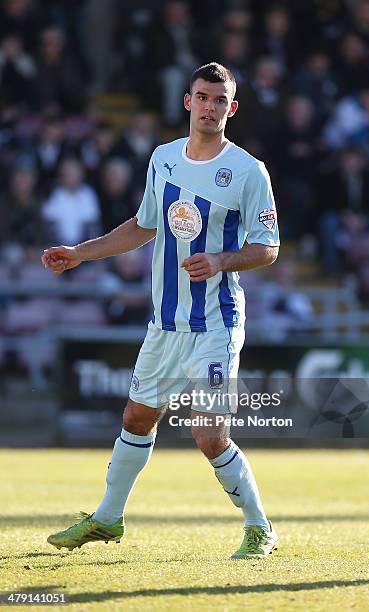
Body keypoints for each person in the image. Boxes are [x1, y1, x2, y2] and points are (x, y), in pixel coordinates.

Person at [41, 62, 280, 560]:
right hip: (164, 324)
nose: (211, 107)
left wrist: (219, 260)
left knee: (209, 434)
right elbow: (142, 225)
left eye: (221, 101)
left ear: (231, 109)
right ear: (188, 102)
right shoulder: (163, 159)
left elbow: (267, 247)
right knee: (137, 415)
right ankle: (108, 518)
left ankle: (259, 528)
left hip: (215, 320)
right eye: (203, 97)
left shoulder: (247, 171)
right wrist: (80, 253)